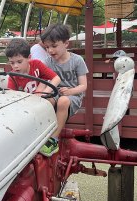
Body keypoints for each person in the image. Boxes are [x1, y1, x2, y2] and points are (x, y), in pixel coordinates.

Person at [38, 23, 88, 157]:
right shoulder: (48, 62)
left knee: (63, 101)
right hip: (55, 93)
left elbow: (83, 86)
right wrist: (38, 95)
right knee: (46, 101)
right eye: (47, 47)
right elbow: (42, 84)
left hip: (73, 97)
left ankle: (53, 139)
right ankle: (42, 133)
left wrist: (70, 91)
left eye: (54, 46)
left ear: (66, 43)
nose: (50, 50)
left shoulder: (77, 61)